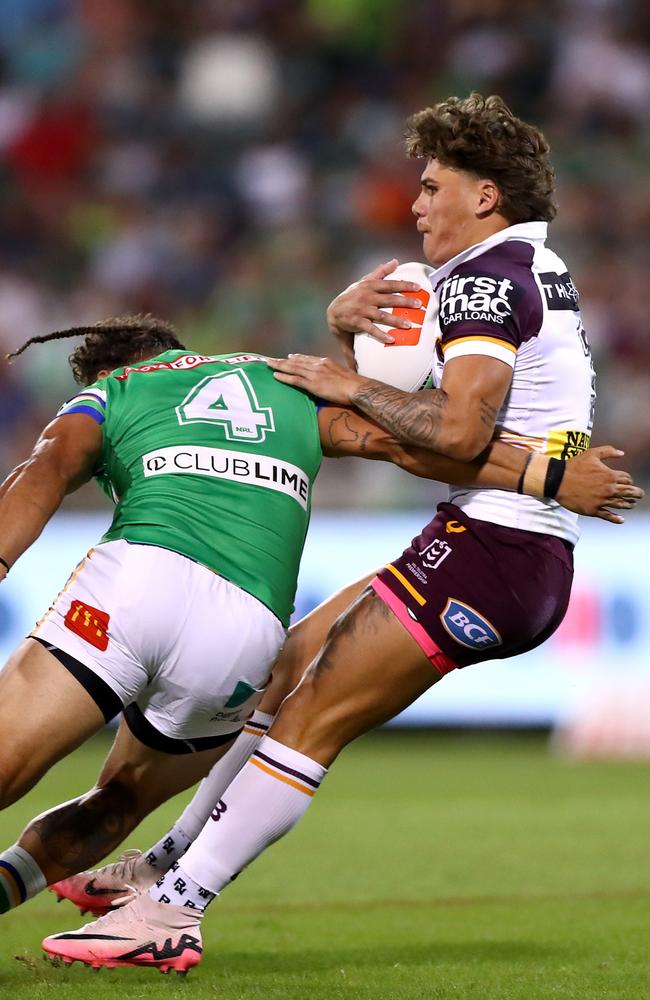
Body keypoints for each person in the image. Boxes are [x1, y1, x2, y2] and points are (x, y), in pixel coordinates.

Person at [41, 93, 644, 976]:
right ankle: (163, 867)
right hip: (489, 539)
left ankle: (174, 909)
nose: (416, 204)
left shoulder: (485, 279)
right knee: (285, 669)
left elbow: (460, 430)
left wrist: (347, 383)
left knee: (311, 716)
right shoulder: (519, 269)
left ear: (485, 196)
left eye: (434, 187)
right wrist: (344, 329)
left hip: (498, 553)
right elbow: (429, 408)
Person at [1, 310, 622, 923]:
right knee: (118, 800)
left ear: (110, 369)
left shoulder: (113, 391)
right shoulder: (282, 382)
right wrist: (550, 476)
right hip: (244, 633)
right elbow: (402, 444)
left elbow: (44, 473)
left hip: (136, 583)